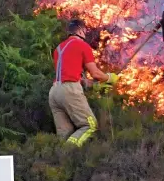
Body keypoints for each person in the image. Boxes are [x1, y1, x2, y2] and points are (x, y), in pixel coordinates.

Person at [49, 18, 119, 146]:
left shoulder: (58, 49)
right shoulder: (82, 45)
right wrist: (110, 78)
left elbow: (68, 75)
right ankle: (69, 151)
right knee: (89, 126)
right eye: (84, 31)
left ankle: (60, 160)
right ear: (80, 30)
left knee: (65, 134)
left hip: (54, 92)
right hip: (69, 90)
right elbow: (95, 73)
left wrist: (94, 85)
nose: (85, 34)